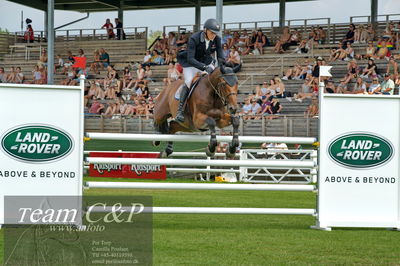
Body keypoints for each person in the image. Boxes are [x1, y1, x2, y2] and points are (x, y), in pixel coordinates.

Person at [175, 18, 224, 122]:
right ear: (205, 30)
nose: (214, 35)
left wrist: (222, 66)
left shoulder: (217, 39)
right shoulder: (194, 38)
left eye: (215, 33)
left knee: (216, 80)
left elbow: (220, 56)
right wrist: (204, 67)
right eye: (212, 33)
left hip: (206, 62)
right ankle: (180, 111)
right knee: (188, 82)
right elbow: (191, 58)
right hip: (190, 64)